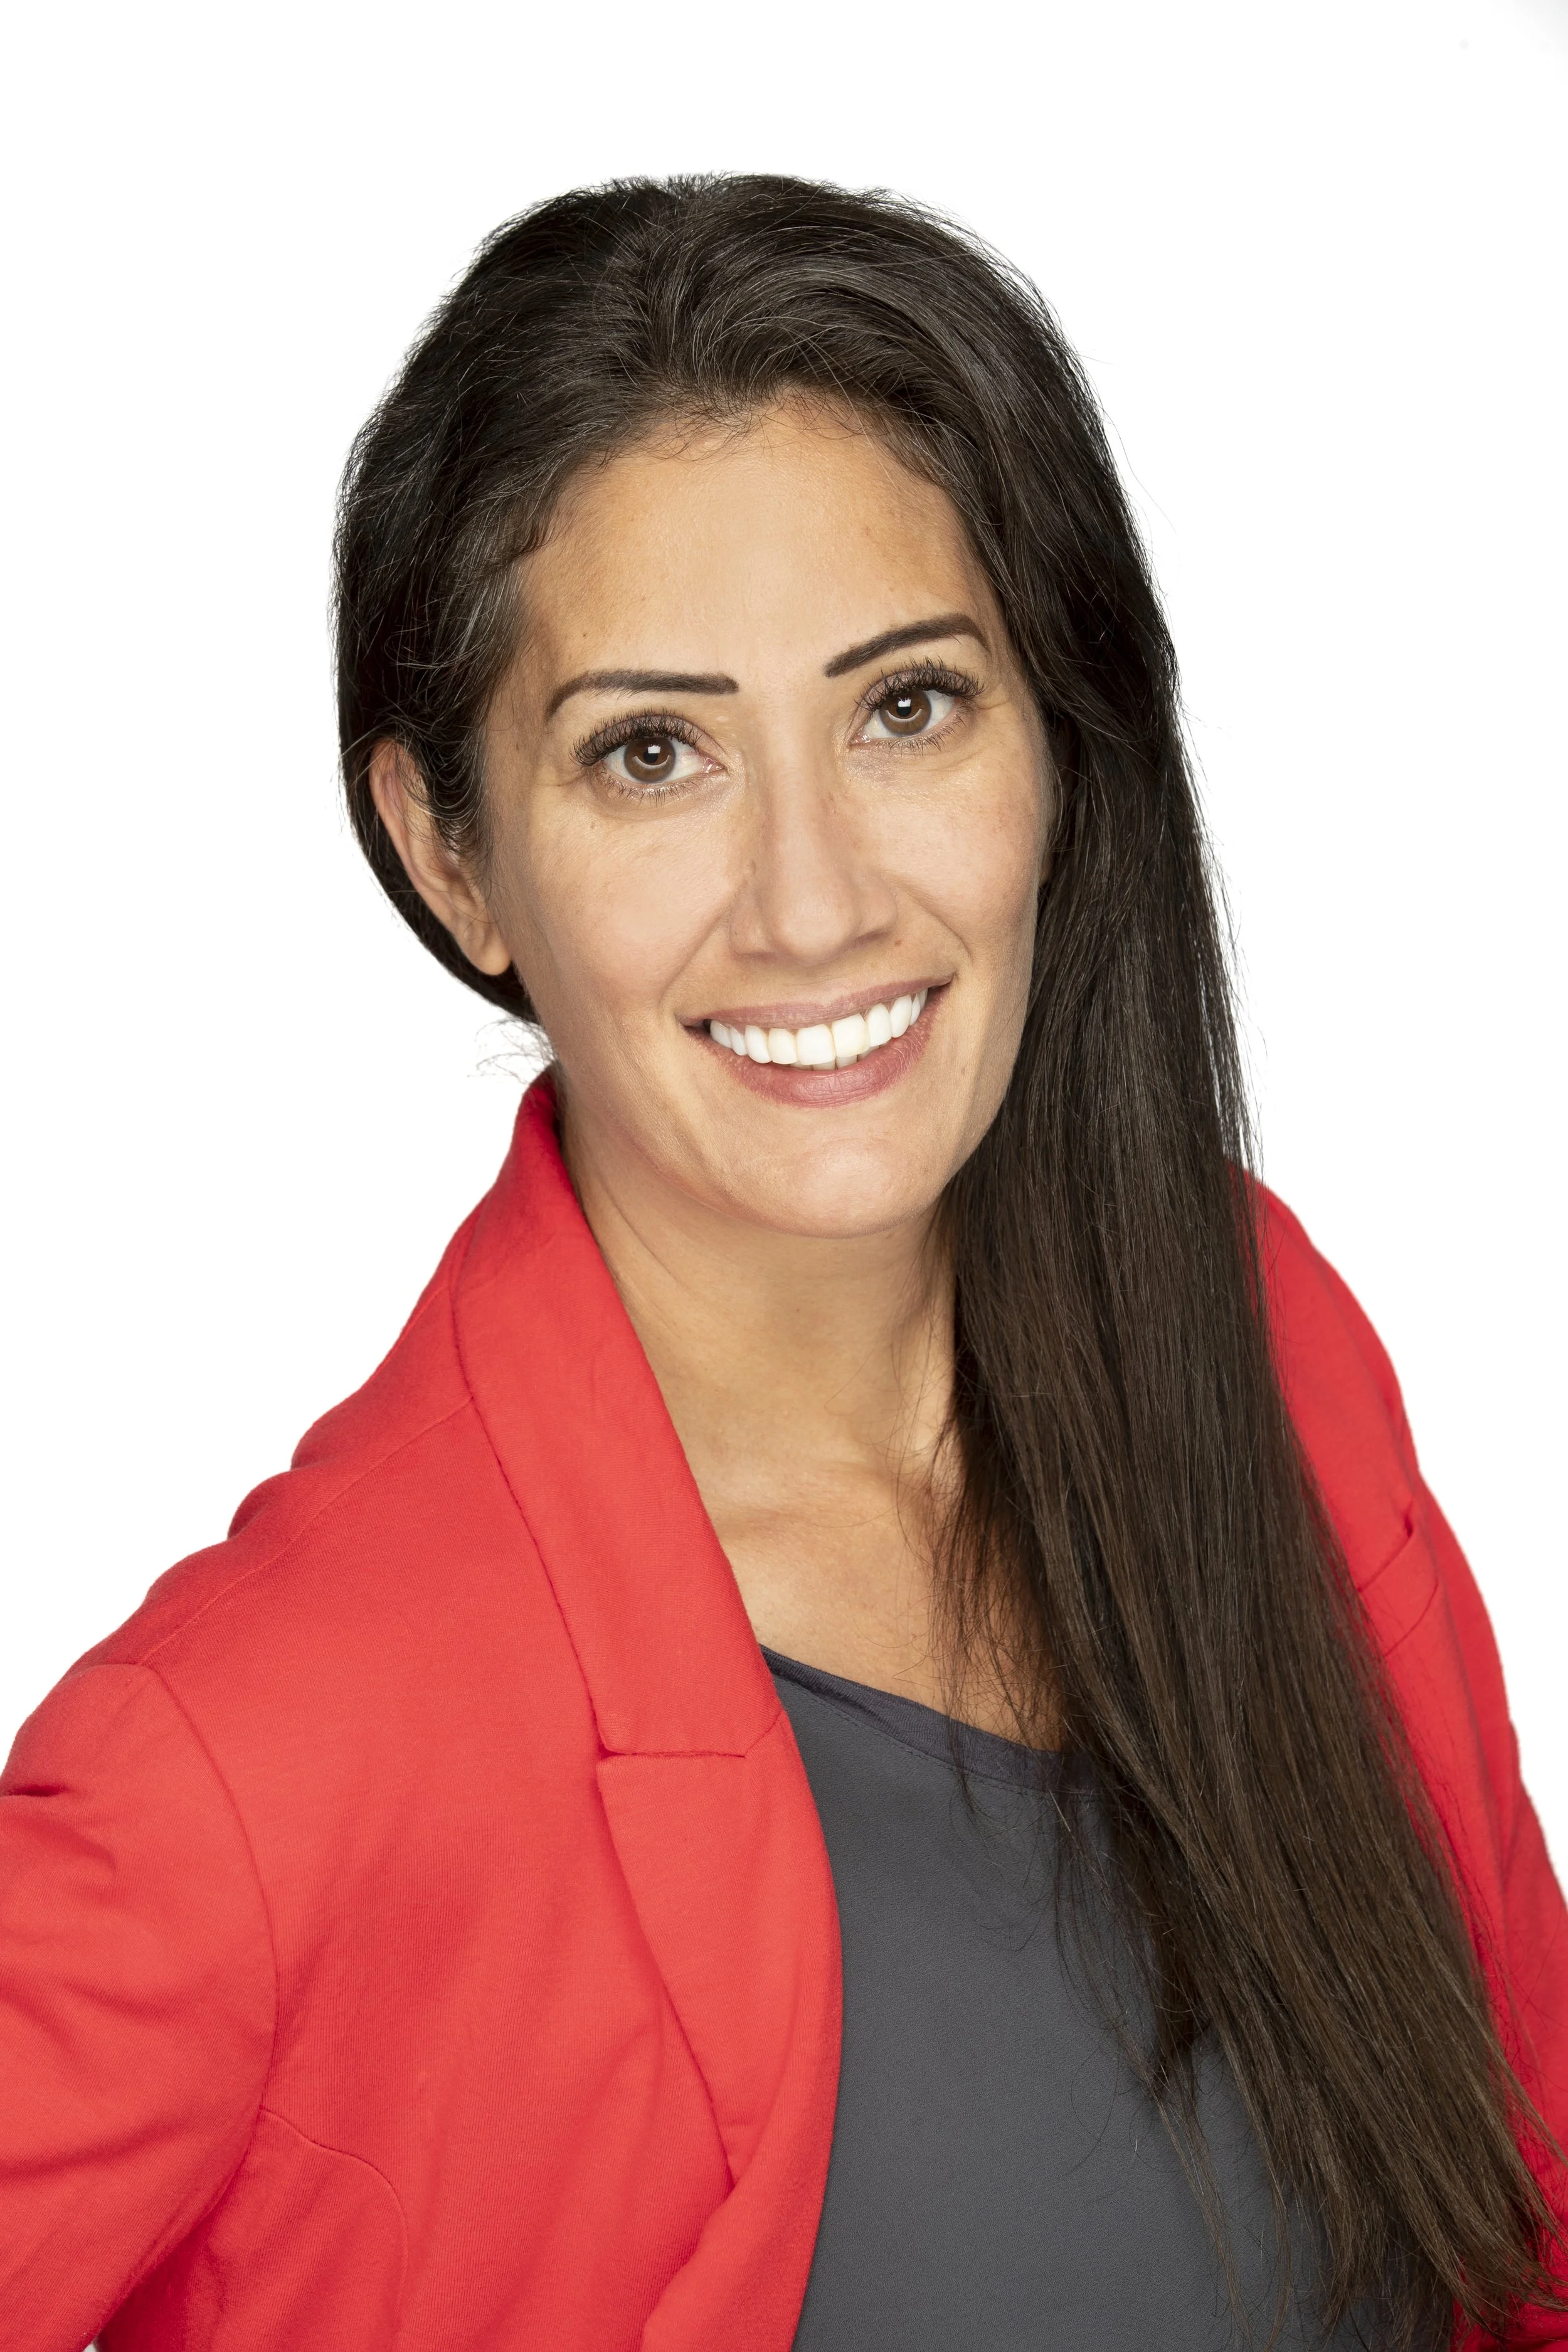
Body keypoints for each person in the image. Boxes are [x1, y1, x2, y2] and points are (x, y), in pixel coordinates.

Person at [1, 174, 1563, 2352]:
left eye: (906, 709)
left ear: (1055, 738)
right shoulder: (249, 1760)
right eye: (653, 754)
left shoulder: (1261, 1336)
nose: (812, 900)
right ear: (455, 851)